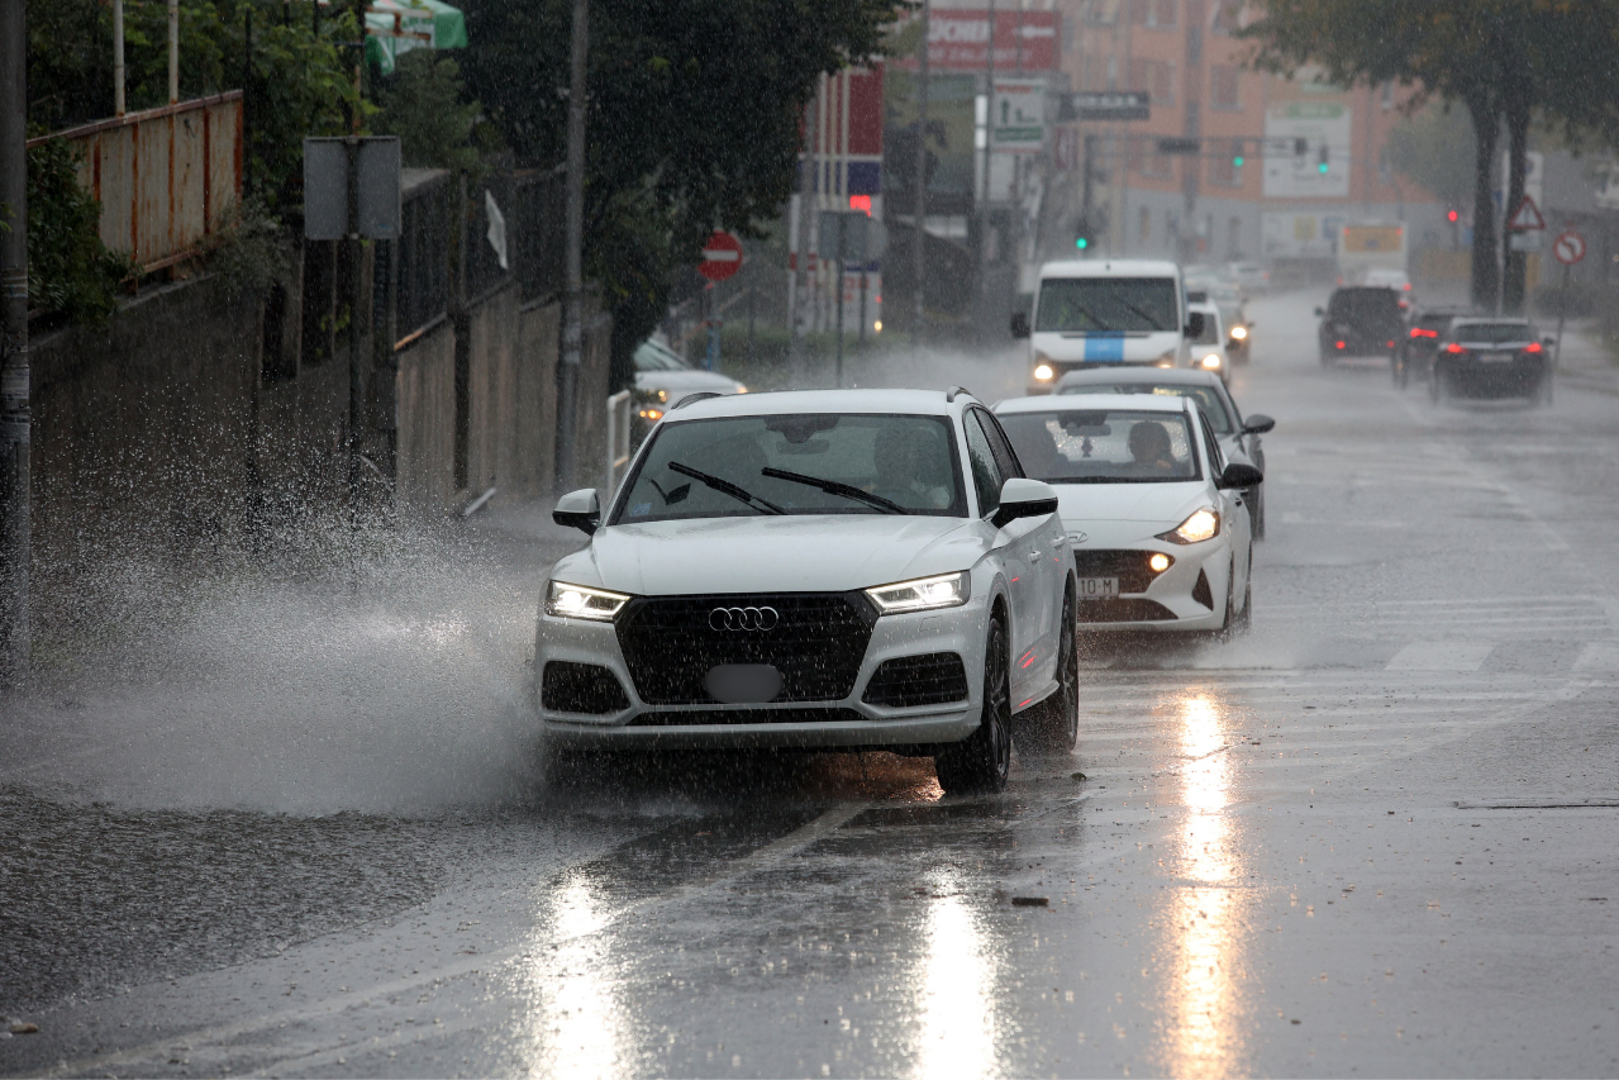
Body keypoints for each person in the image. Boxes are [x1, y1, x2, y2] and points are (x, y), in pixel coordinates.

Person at [869, 424, 952, 510]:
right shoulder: (864, 493)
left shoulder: (932, 493)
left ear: (915, 461)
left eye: (902, 457)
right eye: (885, 456)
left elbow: (941, 513)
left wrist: (928, 504)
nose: (894, 464)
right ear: (876, 460)